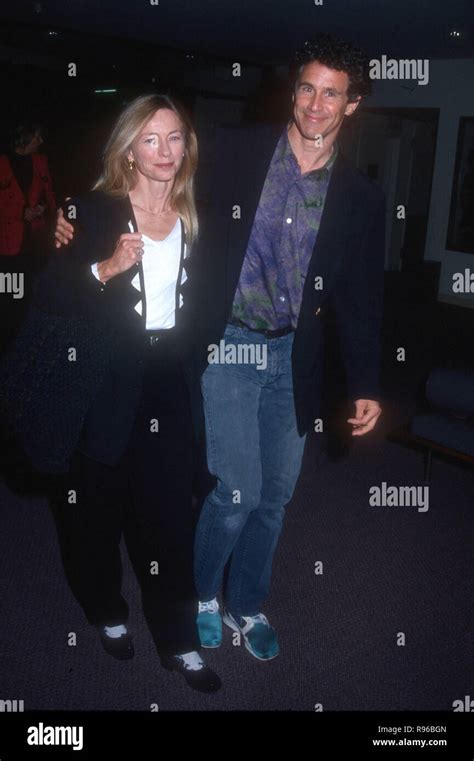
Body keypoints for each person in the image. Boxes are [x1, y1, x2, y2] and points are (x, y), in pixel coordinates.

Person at [55, 34, 385, 664]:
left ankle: (247, 604)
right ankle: (203, 594)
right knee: (234, 492)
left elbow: (363, 298)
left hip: (294, 357)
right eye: (308, 88)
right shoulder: (235, 151)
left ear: (352, 105)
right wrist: (74, 216)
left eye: (332, 93)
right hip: (228, 345)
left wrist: (366, 380)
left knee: (275, 497)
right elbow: (147, 169)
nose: (316, 104)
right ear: (294, 92)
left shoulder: (362, 199)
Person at [29, 94, 221, 692]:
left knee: (167, 517)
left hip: (169, 382)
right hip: (103, 379)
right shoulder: (88, 210)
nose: (165, 151)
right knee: (95, 512)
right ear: (129, 149)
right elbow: (47, 302)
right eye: (151, 139)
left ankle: (179, 639)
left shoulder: (199, 214)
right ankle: (106, 610)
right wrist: (103, 269)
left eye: (175, 138)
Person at [0, 120, 55, 257]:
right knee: (13, 279)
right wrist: (20, 212)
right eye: (37, 137)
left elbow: (49, 193)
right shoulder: (2, 164)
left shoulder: (41, 161)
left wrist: (44, 207)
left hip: (37, 238)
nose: (41, 141)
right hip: (8, 242)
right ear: (26, 138)